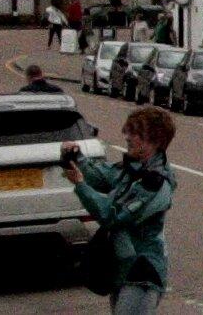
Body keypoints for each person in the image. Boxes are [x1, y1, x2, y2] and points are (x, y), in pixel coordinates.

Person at [62, 106, 178, 313]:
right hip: (123, 269)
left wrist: (80, 185)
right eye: (129, 131)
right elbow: (100, 175)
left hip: (142, 272)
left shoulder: (156, 182)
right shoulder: (132, 169)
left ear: (155, 140)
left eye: (135, 133)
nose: (128, 137)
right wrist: (76, 157)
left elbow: (113, 216)